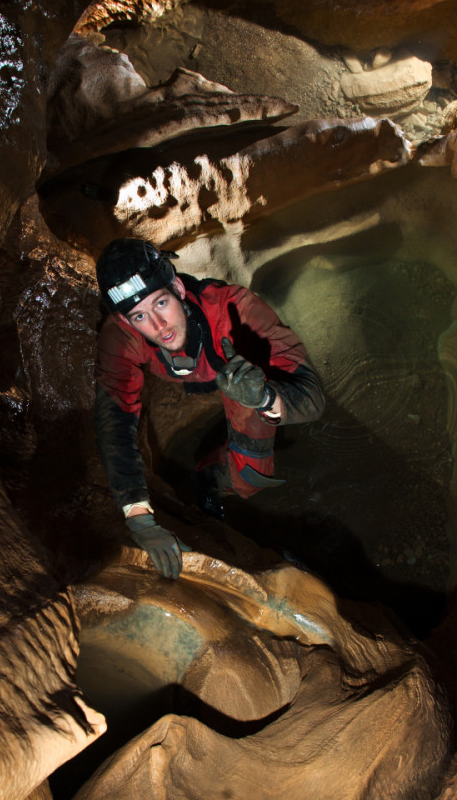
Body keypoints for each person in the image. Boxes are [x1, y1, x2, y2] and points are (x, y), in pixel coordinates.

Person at [93, 238, 325, 579]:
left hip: (244, 382)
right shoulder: (122, 335)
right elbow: (115, 420)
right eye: (140, 315)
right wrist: (137, 515)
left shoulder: (235, 310)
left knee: (250, 478)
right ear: (128, 320)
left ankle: (215, 477)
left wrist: (263, 397)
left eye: (161, 303)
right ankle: (206, 481)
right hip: (202, 379)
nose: (159, 326)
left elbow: (313, 397)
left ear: (176, 287)